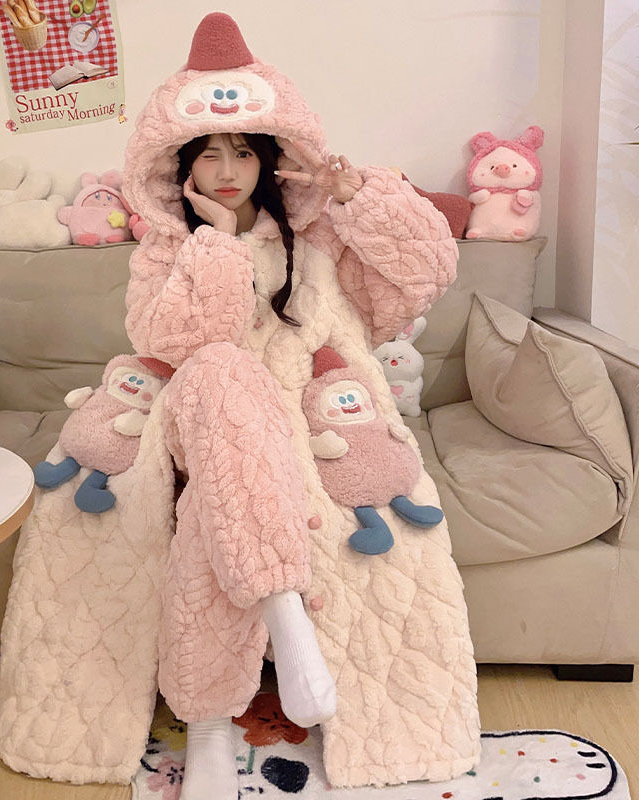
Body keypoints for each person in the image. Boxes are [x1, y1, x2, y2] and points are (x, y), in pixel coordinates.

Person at [121, 11, 480, 798]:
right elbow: (179, 342)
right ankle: (283, 621)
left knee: (215, 509)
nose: (227, 170)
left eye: (243, 151)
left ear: (269, 156)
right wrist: (216, 239)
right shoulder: (166, 248)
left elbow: (423, 275)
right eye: (209, 152)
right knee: (219, 368)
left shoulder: (318, 240)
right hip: (203, 416)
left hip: (301, 422)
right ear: (183, 164)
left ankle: (210, 725)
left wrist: (358, 197)